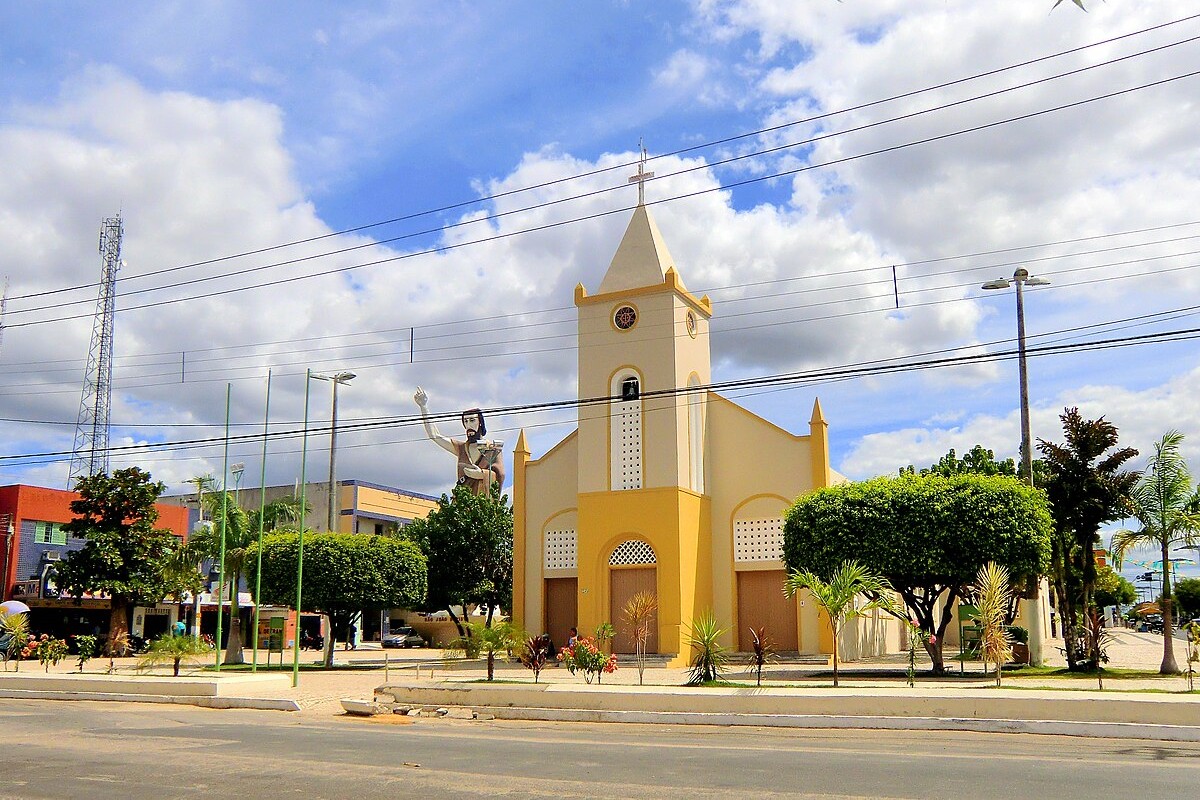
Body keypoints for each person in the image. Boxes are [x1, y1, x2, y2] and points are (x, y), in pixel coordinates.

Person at [413, 387, 505, 494]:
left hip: (482, 503)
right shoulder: (462, 448)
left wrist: (481, 474)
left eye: (472, 420)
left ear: (480, 422)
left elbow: (500, 474)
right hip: (462, 503)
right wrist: (424, 407)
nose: (468, 425)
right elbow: (434, 436)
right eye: (465, 421)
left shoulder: (492, 449)